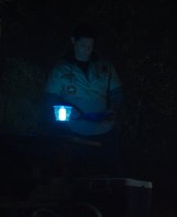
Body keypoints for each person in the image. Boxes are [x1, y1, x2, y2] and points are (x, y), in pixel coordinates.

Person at [43, 22, 123, 176]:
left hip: (105, 130)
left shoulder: (104, 66)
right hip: (75, 132)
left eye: (90, 46)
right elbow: (49, 98)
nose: (87, 50)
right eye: (83, 45)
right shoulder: (61, 69)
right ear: (73, 41)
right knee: (78, 175)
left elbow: (116, 92)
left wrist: (114, 108)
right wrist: (66, 109)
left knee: (108, 175)